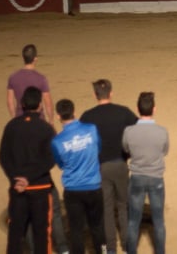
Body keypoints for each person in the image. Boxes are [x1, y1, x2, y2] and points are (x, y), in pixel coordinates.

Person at [80, 80, 138, 254]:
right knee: (123, 206)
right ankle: (128, 246)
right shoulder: (124, 112)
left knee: (106, 209)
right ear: (111, 93)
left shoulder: (87, 117)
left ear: (95, 95)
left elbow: (82, 143)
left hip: (100, 168)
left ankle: (110, 249)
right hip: (120, 164)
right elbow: (138, 130)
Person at [0, 87, 56, 254]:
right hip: (40, 188)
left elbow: (3, 157)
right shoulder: (46, 128)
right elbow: (50, 160)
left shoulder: (11, 126)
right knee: (41, 234)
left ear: (22, 104)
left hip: (17, 189)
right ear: (40, 106)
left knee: (15, 234)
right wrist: (29, 179)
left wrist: (16, 179)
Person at [51, 99, 106, 254]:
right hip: (94, 186)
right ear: (74, 112)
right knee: (97, 226)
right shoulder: (92, 129)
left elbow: (61, 164)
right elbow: (98, 148)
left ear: (58, 116)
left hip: (73, 190)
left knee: (76, 230)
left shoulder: (57, 141)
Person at [123, 92, 169, 254]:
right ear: (154, 109)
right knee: (158, 221)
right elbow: (164, 151)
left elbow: (126, 149)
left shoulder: (129, 131)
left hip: (136, 178)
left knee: (133, 221)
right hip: (156, 178)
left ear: (138, 109)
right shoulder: (162, 132)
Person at [7, 44, 54, 124]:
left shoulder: (13, 77)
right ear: (35, 59)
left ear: (23, 58)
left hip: (20, 118)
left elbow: (10, 101)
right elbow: (47, 102)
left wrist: (14, 118)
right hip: (38, 120)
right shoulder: (41, 78)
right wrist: (51, 121)